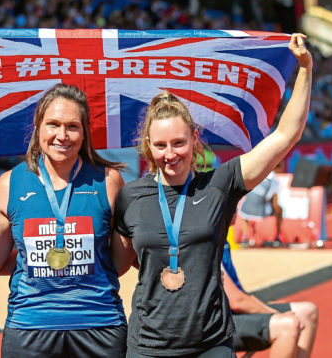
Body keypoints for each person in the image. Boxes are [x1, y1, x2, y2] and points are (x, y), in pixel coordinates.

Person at [111, 33, 312, 357]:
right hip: (148, 346)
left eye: (179, 143)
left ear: (194, 139)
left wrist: (304, 69)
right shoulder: (130, 197)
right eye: (160, 145)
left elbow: (286, 135)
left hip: (211, 344)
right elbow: (118, 266)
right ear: (147, 145)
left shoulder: (221, 184)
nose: (169, 154)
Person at [0, 83, 128, 358]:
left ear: (85, 131)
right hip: (30, 329)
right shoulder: (9, 184)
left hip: (99, 326)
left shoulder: (109, 182)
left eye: (72, 126)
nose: (62, 135)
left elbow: (121, 261)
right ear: (38, 126)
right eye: (53, 124)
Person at [222, 242, 318, 358]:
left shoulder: (224, 240)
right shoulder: (211, 243)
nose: (238, 222)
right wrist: (275, 314)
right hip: (219, 323)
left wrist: (265, 308)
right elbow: (237, 301)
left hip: (234, 314)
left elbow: (242, 295)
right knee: (288, 325)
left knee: (308, 311)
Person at [237, 161, 284, 247]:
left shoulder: (255, 174)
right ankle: (277, 238)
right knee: (280, 210)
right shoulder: (274, 182)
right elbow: (274, 204)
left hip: (245, 209)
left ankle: (245, 238)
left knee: (245, 208)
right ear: (276, 168)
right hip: (261, 212)